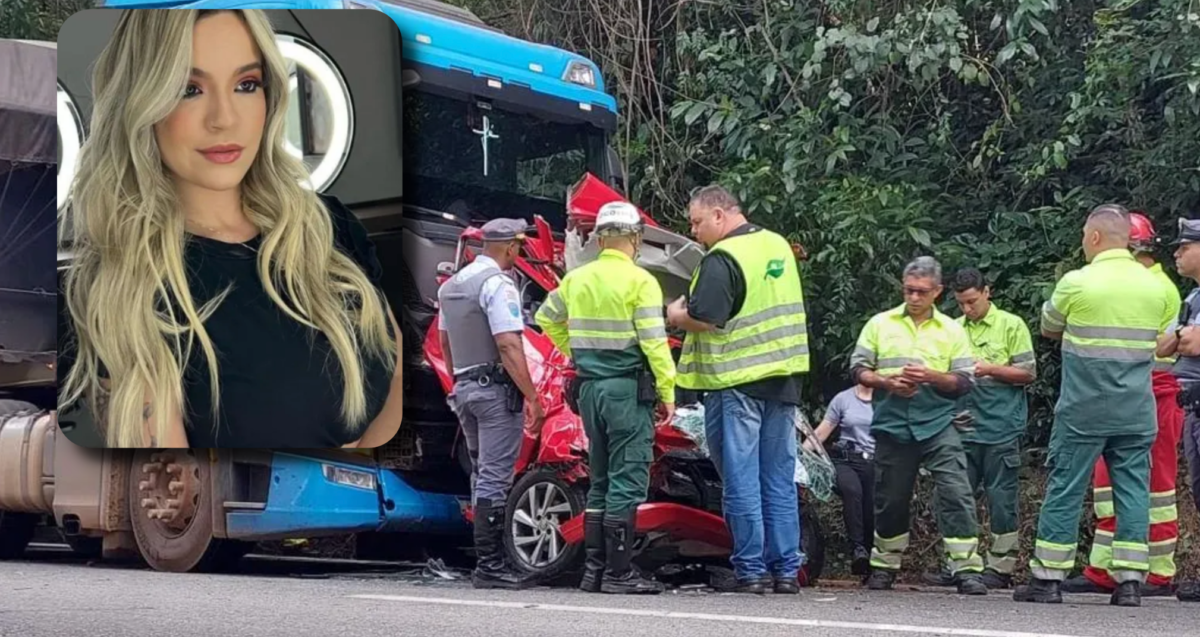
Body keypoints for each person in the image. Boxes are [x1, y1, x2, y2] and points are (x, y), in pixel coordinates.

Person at [57, 9, 402, 449]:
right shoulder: (125, 285)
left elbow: (393, 370)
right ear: (142, 101)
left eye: (246, 85)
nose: (224, 118)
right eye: (189, 89)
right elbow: (172, 478)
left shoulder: (327, 225)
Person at [1014, 204, 1171, 607]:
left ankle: (1048, 579)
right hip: (1137, 409)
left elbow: (1049, 327)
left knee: (1067, 486)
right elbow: (1160, 338)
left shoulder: (1077, 282)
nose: (1083, 242)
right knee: (1133, 490)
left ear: (1096, 237)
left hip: (1083, 409)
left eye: (1085, 236)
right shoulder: (1156, 287)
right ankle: (1130, 581)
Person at [664, 184, 809, 595]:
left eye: (696, 222)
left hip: (737, 382)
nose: (693, 232)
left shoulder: (723, 256)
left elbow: (707, 317)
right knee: (778, 478)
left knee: (741, 479)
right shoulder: (777, 245)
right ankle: (786, 570)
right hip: (783, 380)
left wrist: (675, 315)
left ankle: (751, 570)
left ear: (719, 215)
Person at [535, 201, 675, 595]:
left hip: (590, 390)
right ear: (636, 239)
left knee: (599, 479)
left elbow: (545, 318)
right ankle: (618, 573)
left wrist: (576, 352)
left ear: (599, 240)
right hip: (625, 391)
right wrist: (668, 391)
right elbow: (654, 343)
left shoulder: (576, 279)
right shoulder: (641, 282)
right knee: (627, 480)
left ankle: (593, 572)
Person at [849, 256, 988, 596]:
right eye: (909, 290)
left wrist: (931, 377)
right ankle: (884, 566)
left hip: (938, 422)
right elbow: (857, 369)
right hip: (892, 422)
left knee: (956, 491)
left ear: (937, 291)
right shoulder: (880, 324)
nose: (913, 297)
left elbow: (964, 382)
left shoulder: (952, 330)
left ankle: (966, 568)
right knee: (891, 498)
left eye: (921, 292)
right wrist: (885, 382)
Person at [1062, 212, 1184, 598]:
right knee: (1108, 487)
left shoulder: (1158, 287)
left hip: (1155, 393)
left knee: (1155, 488)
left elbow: (1162, 351)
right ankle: (1104, 568)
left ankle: (1157, 571)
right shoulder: (1144, 285)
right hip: (1128, 395)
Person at [438, 217, 546, 590]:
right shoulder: (498, 284)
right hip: (495, 393)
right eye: (519, 247)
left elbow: (445, 342)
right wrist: (532, 396)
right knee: (496, 476)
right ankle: (491, 565)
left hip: (465, 389)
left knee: (481, 473)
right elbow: (508, 344)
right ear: (511, 247)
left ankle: (485, 561)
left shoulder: (452, 285)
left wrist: (458, 382)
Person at [922, 268, 1036, 590]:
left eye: (972, 301)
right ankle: (960, 564)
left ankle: (1001, 567)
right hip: (961, 428)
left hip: (1001, 427)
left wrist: (990, 369)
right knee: (953, 497)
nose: (967, 308)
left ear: (987, 292)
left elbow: (1028, 373)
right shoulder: (952, 329)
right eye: (961, 303)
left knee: (1002, 500)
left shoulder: (1011, 325)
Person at [1153, 216, 1200, 603]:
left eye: (1185, 247)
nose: (1177, 254)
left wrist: (1183, 336)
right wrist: (1185, 334)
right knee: (1198, 489)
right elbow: (1164, 346)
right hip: (1191, 404)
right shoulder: (1193, 298)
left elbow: (1190, 345)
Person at [807, 382, 875, 577]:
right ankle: (857, 549)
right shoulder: (843, 399)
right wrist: (800, 457)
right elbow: (821, 432)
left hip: (875, 461)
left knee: (871, 506)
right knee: (852, 490)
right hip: (845, 459)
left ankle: (872, 560)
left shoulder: (887, 399)